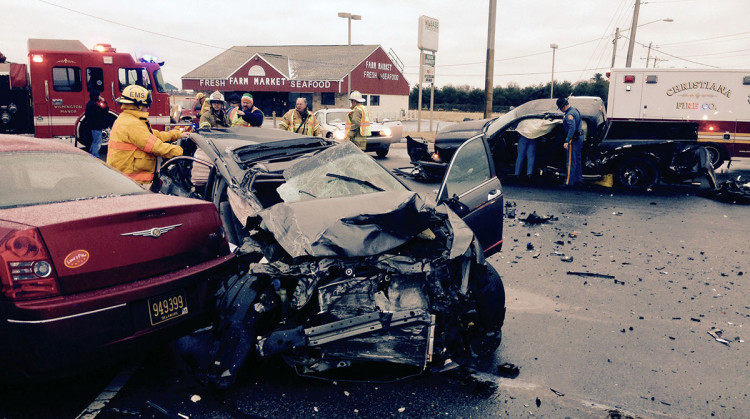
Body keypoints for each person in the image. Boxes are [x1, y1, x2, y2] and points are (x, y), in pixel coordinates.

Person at [107, 85, 187, 185]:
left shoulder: (127, 119)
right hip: (132, 181)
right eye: (146, 105)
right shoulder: (132, 124)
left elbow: (152, 135)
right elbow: (156, 147)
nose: (148, 108)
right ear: (138, 106)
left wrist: (176, 134)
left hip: (125, 178)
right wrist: (182, 152)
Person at [558, 96, 583, 187]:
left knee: (570, 161)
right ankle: (578, 180)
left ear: (563, 106)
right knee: (577, 160)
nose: (561, 110)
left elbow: (571, 129)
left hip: (573, 138)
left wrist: (567, 140)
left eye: (560, 108)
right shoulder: (575, 110)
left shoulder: (569, 115)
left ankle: (568, 182)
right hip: (579, 137)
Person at [84, 90, 109, 159]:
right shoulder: (97, 104)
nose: (100, 97)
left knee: (95, 140)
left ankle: (91, 153)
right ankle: (95, 155)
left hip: (92, 125)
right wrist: (104, 101)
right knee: (98, 141)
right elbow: (106, 110)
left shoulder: (90, 103)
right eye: (99, 95)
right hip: (97, 125)